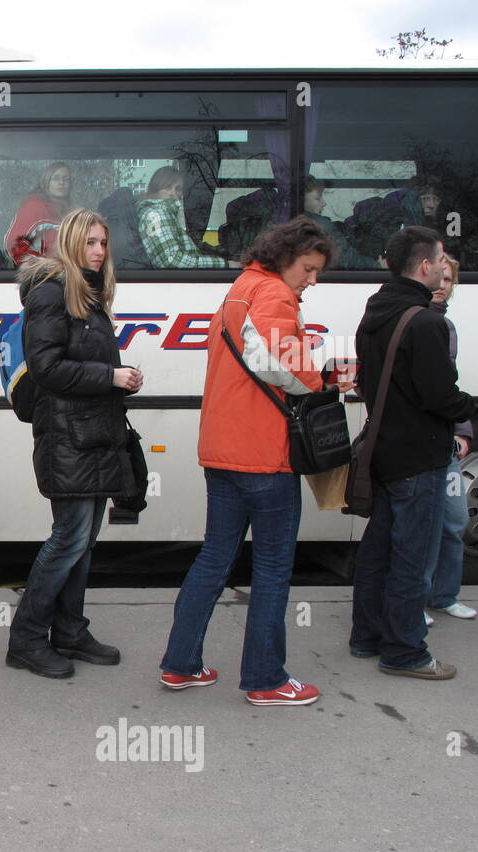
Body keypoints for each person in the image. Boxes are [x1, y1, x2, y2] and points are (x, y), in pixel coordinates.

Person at [159, 217, 341, 706]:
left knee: (215, 558)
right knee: (273, 568)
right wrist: (323, 381)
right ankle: (265, 679)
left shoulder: (240, 286)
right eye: (308, 268)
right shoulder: (275, 295)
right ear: (286, 257)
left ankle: (181, 664)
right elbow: (279, 364)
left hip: (222, 450)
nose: (311, 280)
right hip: (265, 455)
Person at [4, 209, 141, 680]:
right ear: (69, 246)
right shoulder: (50, 295)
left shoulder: (89, 294)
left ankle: (69, 631)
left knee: (83, 544)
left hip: (95, 433)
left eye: (104, 243)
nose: (99, 252)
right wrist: (110, 375)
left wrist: (119, 381)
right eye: (90, 243)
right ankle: (25, 639)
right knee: (69, 539)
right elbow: (46, 369)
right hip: (68, 437)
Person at [350, 227, 475, 679]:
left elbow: (367, 382)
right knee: (412, 556)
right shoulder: (426, 322)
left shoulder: (376, 311)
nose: (445, 267)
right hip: (418, 458)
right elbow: (440, 397)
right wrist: (467, 405)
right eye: (441, 259)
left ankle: (365, 637)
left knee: (377, 551)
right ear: (424, 266)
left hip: (382, 453)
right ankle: (405, 652)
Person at [425, 257, 476, 621]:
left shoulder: (447, 326)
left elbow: (449, 384)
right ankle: (415, 597)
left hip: (445, 443)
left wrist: (462, 431)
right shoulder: (415, 321)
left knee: (454, 521)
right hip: (419, 443)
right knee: (419, 527)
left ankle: (443, 595)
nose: (443, 284)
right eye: (438, 277)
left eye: (449, 279)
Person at [135, 166, 226, 269]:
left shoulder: (163, 213)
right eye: (167, 187)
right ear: (155, 190)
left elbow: (189, 247)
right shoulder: (156, 215)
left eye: (178, 189)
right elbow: (172, 260)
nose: (173, 193)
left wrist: (218, 252)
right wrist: (224, 264)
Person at [5, 162, 72, 266]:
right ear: (46, 181)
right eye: (55, 178)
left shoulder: (73, 211)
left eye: (66, 179)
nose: (61, 182)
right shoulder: (34, 207)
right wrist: (42, 266)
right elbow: (14, 245)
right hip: (43, 279)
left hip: (70, 276)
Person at [304, 178, 376, 269]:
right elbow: (347, 260)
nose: (324, 203)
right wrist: (378, 266)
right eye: (318, 198)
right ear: (302, 202)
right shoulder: (321, 226)